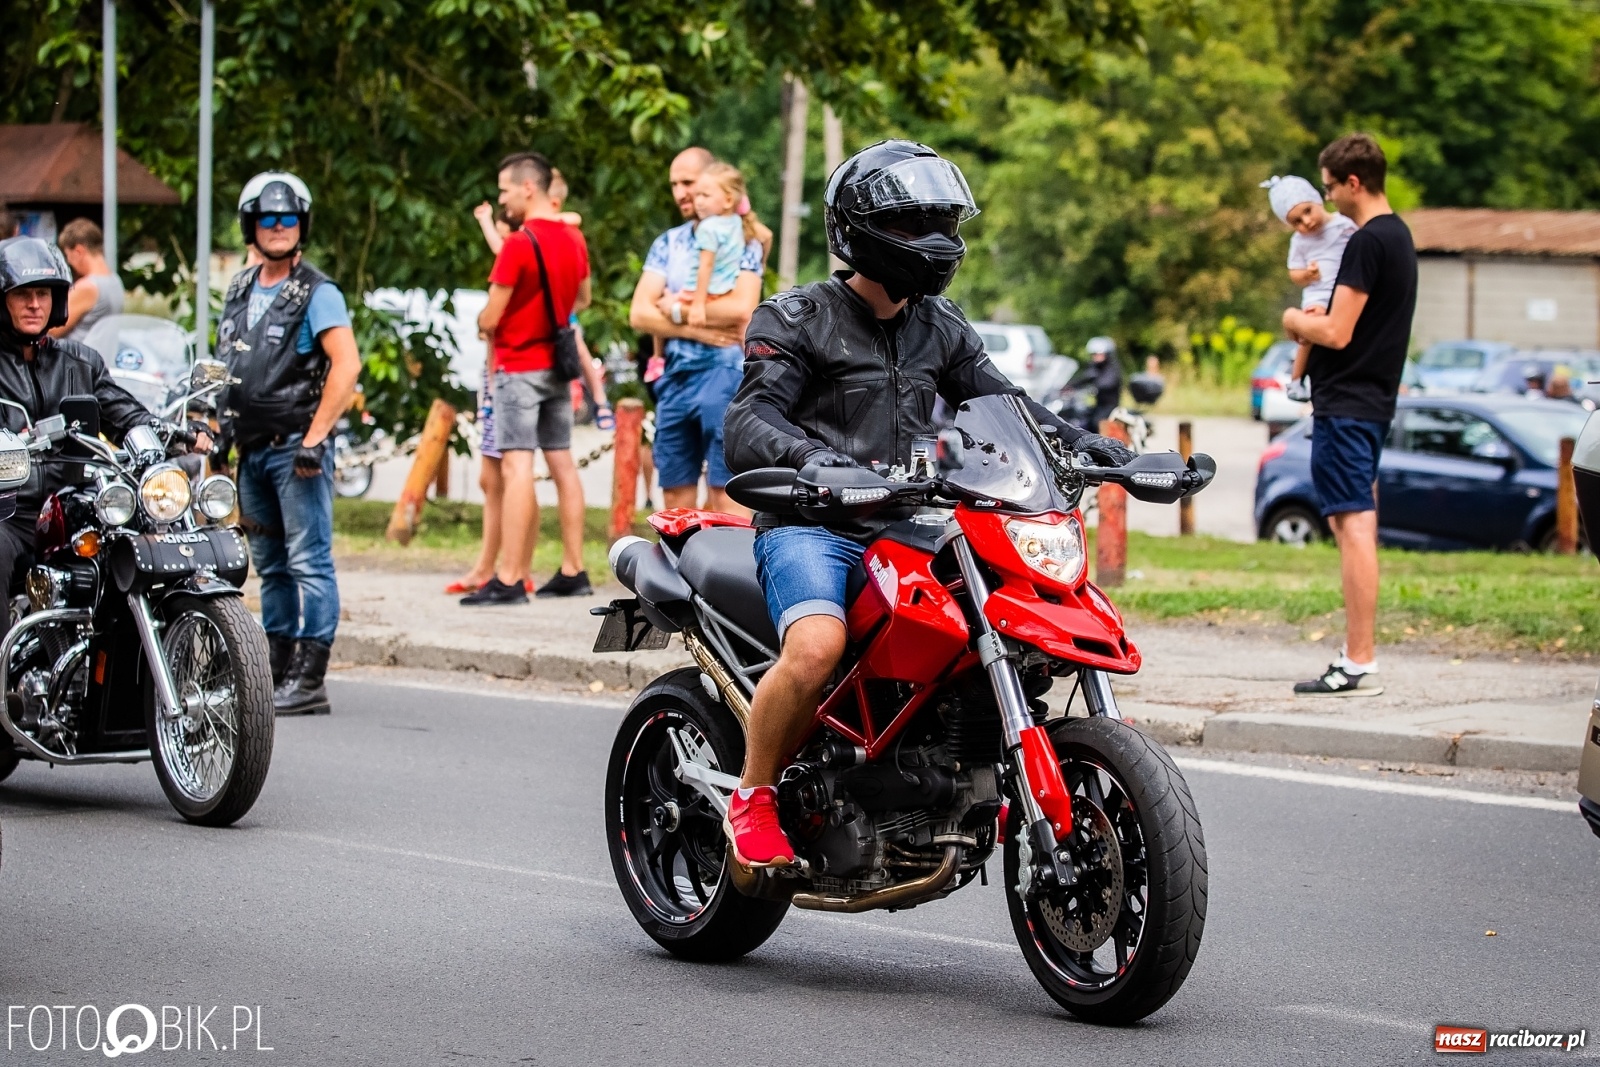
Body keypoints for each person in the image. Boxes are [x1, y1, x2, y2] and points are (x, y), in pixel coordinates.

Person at [718, 140, 1137, 867]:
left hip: (907, 520)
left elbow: (1005, 404)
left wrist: (1097, 449)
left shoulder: (940, 324)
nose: (936, 242)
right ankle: (753, 794)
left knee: (983, 626)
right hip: (812, 521)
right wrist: (816, 460)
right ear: (858, 230)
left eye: (943, 222)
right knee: (817, 647)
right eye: (914, 226)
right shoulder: (795, 316)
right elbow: (750, 422)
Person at [218, 172, 362, 715]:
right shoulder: (238, 288)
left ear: (301, 224)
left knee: (309, 560)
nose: (278, 228)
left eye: (287, 219)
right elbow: (227, 368)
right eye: (267, 219)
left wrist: (316, 436)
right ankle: (275, 664)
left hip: (294, 452)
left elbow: (346, 366)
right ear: (250, 226)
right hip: (251, 450)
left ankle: (310, 676)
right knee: (270, 564)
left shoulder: (318, 292)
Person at [1281, 134, 1417, 698]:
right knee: (1355, 521)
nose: (1329, 197)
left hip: (1348, 404)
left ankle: (1359, 659)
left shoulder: (1366, 242)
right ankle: (1360, 654)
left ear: (1353, 182)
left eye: (1331, 187)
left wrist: (1293, 320)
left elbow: (1335, 329)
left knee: (1352, 525)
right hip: (1372, 401)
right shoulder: (1400, 236)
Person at [0, 237, 190, 623]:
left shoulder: (80, 362)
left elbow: (127, 414)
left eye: (43, 293)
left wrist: (174, 432)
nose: (35, 304)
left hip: (76, 510)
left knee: (147, 545)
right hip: (11, 517)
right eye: (22, 294)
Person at [452, 171, 609, 597]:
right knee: (561, 462)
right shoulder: (574, 239)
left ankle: (508, 578)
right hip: (557, 367)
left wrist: (487, 321)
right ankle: (574, 569)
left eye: (504, 189)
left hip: (518, 365)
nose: (502, 198)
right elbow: (583, 299)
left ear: (527, 188)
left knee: (517, 465)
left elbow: (490, 316)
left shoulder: (520, 243)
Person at [628, 147, 766, 514]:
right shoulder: (668, 243)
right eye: (674, 184)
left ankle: (728, 571)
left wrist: (672, 309)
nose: (681, 193)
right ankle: (678, 571)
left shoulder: (742, 239)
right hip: (675, 380)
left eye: (689, 183)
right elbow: (640, 314)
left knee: (725, 493)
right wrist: (698, 329)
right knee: (674, 495)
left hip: (723, 375)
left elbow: (741, 308)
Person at [1261, 175, 1358, 400]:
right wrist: (1307, 274)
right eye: (1296, 221)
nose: (1306, 222)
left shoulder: (1344, 225)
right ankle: (1296, 380)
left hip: (1344, 290)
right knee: (1309, 334)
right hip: (1318, 293)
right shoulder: (1300, 241)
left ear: (1317, 200)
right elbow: (1294, 272)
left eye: (1307, 211)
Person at [49, 219, 125, 343]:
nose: (69, 262)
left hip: (77, 360)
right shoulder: (115, 281)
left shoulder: (87, 287)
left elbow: (52, 330)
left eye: (68, 255)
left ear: (79, 251)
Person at [1076, 336, 1124, 431]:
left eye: (1099, 354)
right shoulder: (1095, 366)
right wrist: (1067, 386)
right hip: (1098, 405)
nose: (1096, 357)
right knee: (1080, 418)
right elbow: (1084, 378)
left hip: (1110, 407)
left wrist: (1094, 387)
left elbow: (1108, 382)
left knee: (1096, 423)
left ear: (1107, 354)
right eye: (1094, 354)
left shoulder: (1113, 368)